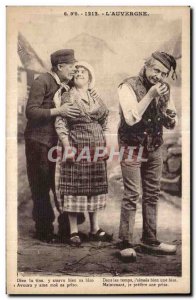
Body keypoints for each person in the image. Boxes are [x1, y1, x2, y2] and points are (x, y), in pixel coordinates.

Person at [118, 51, 178, 256]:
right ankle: (125, 243)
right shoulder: (127, 86)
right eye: (156, 70)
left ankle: (150, 240)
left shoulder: (165, 89)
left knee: (152, 194)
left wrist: (170, 118)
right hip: (131, 145)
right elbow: (131, 119)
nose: (158, 76)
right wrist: (151, 95)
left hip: (154, 147)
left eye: (163, 73)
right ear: (146, 66)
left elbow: (172, 121)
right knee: (132, 194)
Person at [24, 49, 84, 243]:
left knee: (60, 185)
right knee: (41, 186)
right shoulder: (42, 81)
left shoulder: (65, 85)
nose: (75, 70)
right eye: (72, 67)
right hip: (38, 142)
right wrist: (59, 110)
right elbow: (31, 111)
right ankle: (44, 230)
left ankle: (67, 229)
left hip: (54, 143)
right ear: (60, 67)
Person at [55, 61, 112, 246]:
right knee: (74, 187)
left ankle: (95, 228)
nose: (79, 73)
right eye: (77, 71)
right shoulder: (67, 96)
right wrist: (67, 146)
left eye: (83, 71)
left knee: (95, 187)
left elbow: (105, 119)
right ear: (73, 77)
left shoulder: (96, 97)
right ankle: (73, 231)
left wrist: (106, 141)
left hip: (96, 147)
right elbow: (61, 123)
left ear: (89, 78)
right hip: (76, 145)